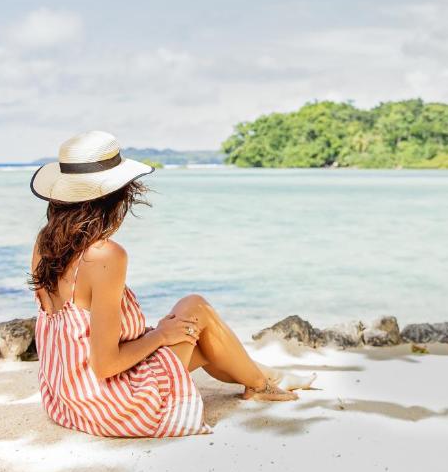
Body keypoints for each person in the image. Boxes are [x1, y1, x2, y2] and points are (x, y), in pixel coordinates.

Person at [28, 130, 313, 438]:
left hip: (68, 397)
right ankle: (262, 384)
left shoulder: (45, 242)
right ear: (116, 197)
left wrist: (157, 336)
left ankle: (263, 378)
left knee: (201, 338)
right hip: (109, 404)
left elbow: (74, 336)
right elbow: (106, 365)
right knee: (195, 310)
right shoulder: (106, 256)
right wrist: (161, 335)